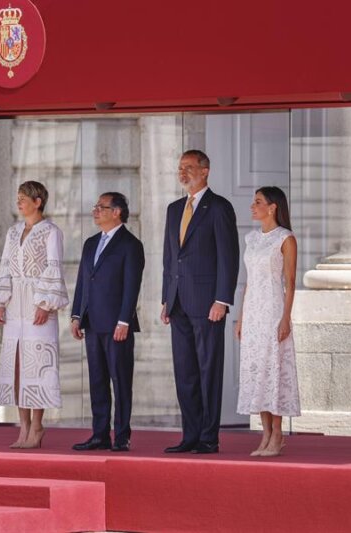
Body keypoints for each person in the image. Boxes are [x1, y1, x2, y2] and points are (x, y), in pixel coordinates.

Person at [161, 150, 239, 454]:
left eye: (189, 168)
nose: (183, 173)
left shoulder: (219, 207)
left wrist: (222, 299)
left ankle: (208, 437)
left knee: (208, 371)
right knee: (185, 373)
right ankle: (189, 435)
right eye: (180, 168)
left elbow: (227, 258)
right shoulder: (173, 209)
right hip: (178, 303)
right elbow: (170, 258)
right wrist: (166, 298)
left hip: (208, 304)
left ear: (205, 171)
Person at [0, 181, 69, 449]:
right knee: (17, 366)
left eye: (23, 198)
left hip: (37, 304)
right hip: (14, 307)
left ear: (38, 201)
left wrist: (45, 304)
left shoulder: (51, 232)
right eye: (18, 197)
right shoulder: (13, 232)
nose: (19, 202)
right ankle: (23, 428)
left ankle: (38, 426)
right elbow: (5, 267)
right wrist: (0, 302)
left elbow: (54, 268)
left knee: (37, 365)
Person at [71, 192, 145, 452]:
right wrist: (76, 315)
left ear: (117, 212)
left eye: (102, 207)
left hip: (117, 325)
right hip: (92, 323)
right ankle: (99, 434)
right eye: (95, 207)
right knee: (97, 381)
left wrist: (124, 320)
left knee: (120, 380)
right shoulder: (91, 243)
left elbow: (131, 287)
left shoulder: (130, 245)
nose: (96, 211)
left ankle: (122, 435)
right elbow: (83, 281)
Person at [236, 186, 300, 457]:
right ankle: (264, 435)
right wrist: (241, 317)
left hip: (273, 310)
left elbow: (290, 281)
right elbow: (249, 281)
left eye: (258, 202)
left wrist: (286, 318)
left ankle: (278, 434)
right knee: (257, 371)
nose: (252, 206)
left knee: (273, 368)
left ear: (272, 207)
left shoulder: (285, 238)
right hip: (253, 313)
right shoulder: (251, 239)